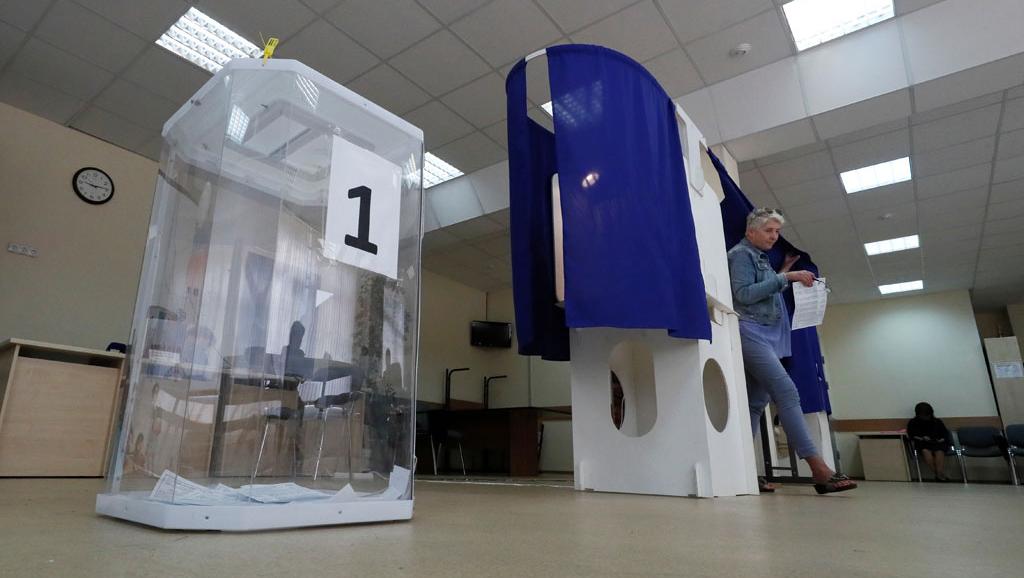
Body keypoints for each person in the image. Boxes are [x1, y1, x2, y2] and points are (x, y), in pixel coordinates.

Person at [728, 208, 856, 495]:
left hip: (768, 333)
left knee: (756, 403)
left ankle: (743, 471)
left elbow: (764, 289)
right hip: (751, 331)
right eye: (769, 231)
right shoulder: (740, 254)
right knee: (786, 392)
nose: (775, 237)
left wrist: (784, 270)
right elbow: (744, 294)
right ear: (751, 231)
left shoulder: (758, 257)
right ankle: (819, 469)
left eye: (777, 232)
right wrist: (789, 277)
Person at [906, 402, 951, 481]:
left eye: (928, 415)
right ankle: (939, 475)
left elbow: (945, 434)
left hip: (937, 442)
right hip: (922, 443)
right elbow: (911, 435)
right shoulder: (913, 422)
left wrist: (942, 439)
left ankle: (939, 474)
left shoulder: (937, 421)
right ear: (918, 414)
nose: (926, 417)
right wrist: (922, 438)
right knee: (926, 452)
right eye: (924, 415)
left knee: (939, 451)